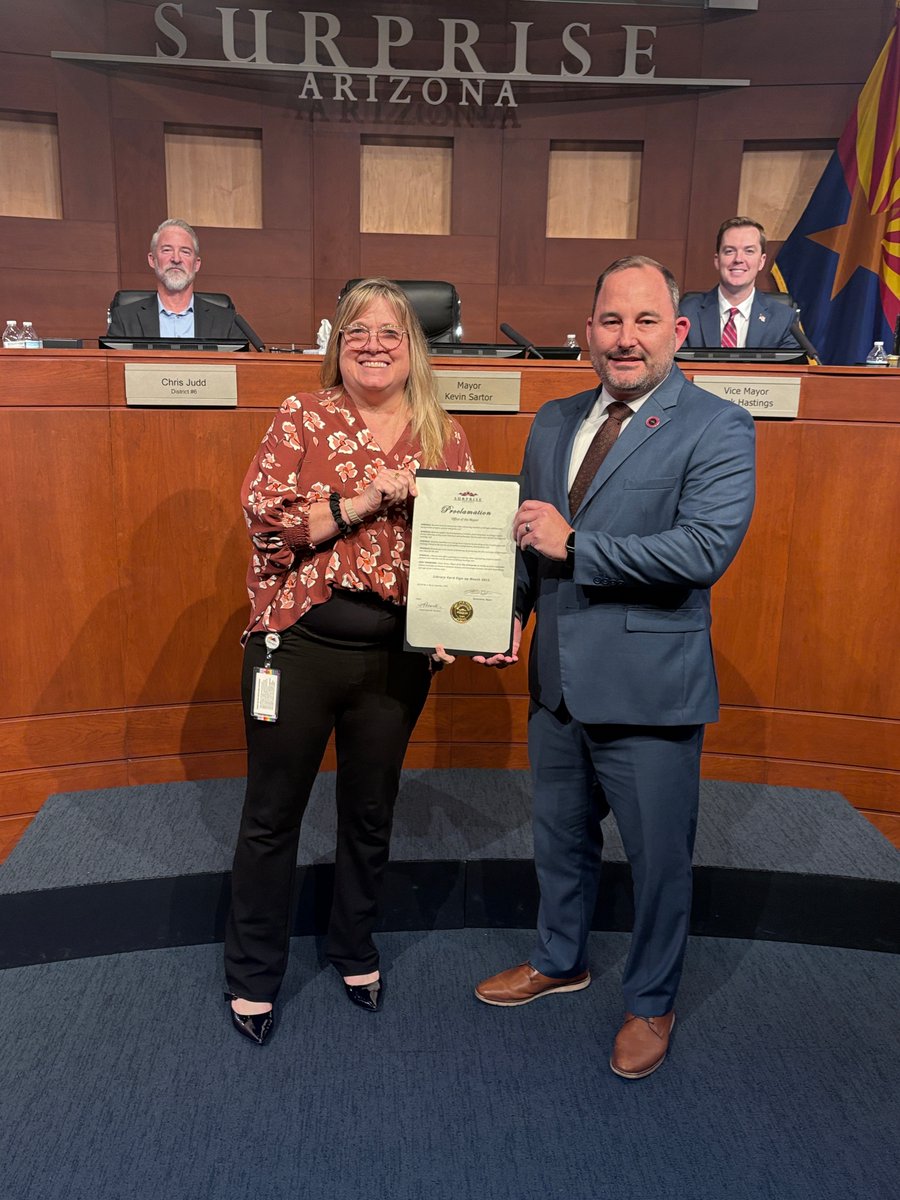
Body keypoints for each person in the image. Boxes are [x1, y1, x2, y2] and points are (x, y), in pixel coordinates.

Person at [473, 256, 756, 1079]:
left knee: (659, 862)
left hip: (650, 691)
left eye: (644, 321)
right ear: (588, 332)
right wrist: (508, 612)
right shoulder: (554, 419)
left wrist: (579, 546)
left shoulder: (718, 426)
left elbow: (702, 550)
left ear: (678, 331)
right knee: (559, 840)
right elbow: (529, 536)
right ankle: (559, 958)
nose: (625, 339)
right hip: (558, 683)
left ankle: (652, 1000)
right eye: (610, 322)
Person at [224, 278, 473, 1045]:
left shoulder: (444, 433)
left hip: (396, 660)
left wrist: (459, 618)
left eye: (390, 332)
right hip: (295, 648)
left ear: (413, 347)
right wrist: (362, 502)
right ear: (338, 343)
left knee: (371, 810)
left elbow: (462, 547)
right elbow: (265, 521)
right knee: (273, 814)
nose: (372, 344)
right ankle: (253, 973)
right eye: (357, 330)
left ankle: (354, 946)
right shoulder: (304, 413)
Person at [106, 218, 245, 339]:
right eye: (167, 250)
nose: (176, 259)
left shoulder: (227, 322)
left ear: (196, 264)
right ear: (152, 260)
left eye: (185, 252)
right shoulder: (124, 319)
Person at [679, 217, 801, 350]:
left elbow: (791, 363)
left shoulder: (784, 319)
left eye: (749, 251)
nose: (738, 259)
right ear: (717, 260)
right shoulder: (686, 313)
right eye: (729, 251)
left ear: (761, 261)